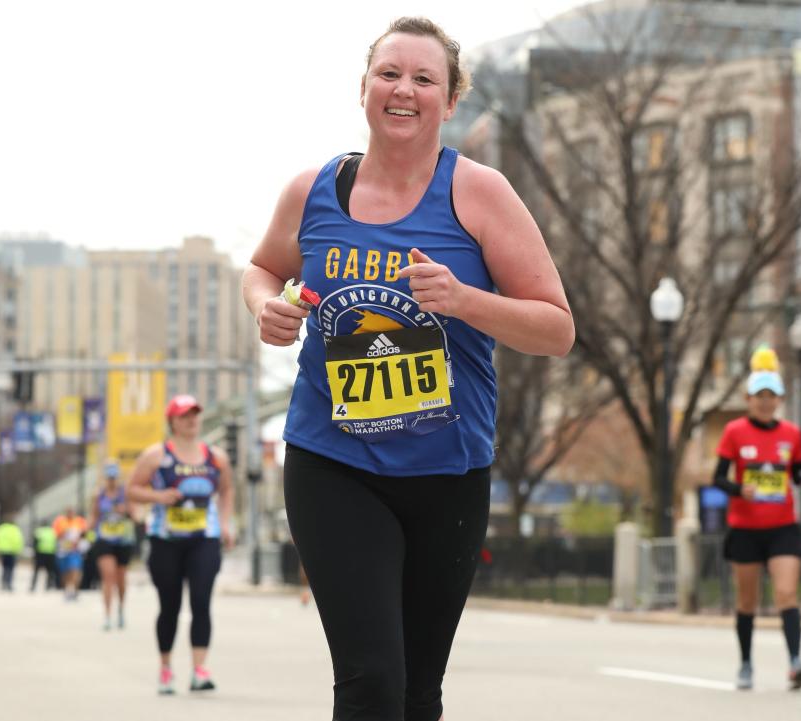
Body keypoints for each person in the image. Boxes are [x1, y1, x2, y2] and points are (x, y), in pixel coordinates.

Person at [242, 16, 573, 721]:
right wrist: (265, 305)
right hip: (332, 461)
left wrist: (465, 299)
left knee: (418, 692)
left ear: (450, 102)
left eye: (425, 79)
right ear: (362, 87)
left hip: (446, 472)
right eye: (389, 73)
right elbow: (264, 267)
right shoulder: (313, 191)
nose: (404, 90)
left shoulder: (480, 195)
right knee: (371, 683)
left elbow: (556, 328)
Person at [713, 346, 801, 691]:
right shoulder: (735, 432)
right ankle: (745, 663)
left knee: (786, 593)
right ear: (748, 398)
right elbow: (718, 479)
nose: (765, 402)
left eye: (771, 396)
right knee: (747, 601)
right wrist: (741, 490)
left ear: (780, 399)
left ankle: (796, 663)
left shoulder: (792, 435)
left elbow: (798, 475)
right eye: (759, 396)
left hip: (783, 526)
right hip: (746, 529)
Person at [126, 394, 234, 695]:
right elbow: (132, 490)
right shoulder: (156, 455)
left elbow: (226, 490)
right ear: (172, 421)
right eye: (185, 415)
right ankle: (165, 668)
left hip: (204, 538)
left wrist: (225, 524)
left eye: (195, 415)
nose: (192, 420)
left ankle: (200, 670)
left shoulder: (216, 457)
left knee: (201, 601)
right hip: (166, 540)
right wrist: (159, 497)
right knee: (170, 606)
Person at [89, 459, 136, 630]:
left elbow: (135, 515)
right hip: (104, 539)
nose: (112, 480)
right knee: (108, 576)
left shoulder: (126, 494)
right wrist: (84, 532)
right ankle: (107, 616)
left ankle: (121, 610)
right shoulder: (98, 495)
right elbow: (93, 517)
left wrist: (126, 511)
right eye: (109, 477)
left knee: (120, 579)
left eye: (114, 477)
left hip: (123, 540)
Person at [53, 506, 88, 600]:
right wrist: (65, 535)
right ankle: (66, 589)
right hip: (63, 551)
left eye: (72, 511)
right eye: (69, 511)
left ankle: (74, 590)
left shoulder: (80, 521)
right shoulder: (60, 521)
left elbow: (85, 533)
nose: (70, 513)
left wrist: (78, 540)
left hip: (75, 551)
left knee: (75, 570)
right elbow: (56, 535)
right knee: (65, 573)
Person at [0, 516, 24, 591]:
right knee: (11, 568)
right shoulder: (15, 529)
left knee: (4, 567)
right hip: (12, 552)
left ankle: (3, 583)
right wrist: (19, 551)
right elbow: (19, 541)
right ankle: (9, 584)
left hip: (2, 551)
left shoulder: (0, 529)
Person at [30, 519, 58, 591]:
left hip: (40, 554)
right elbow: (56, 542)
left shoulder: (38, 531)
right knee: (50, 571)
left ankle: (33, 586)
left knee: (36, 571)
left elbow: (35, 544)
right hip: (51, 553)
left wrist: (35, 554)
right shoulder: (52, 531)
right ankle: (48, 585)